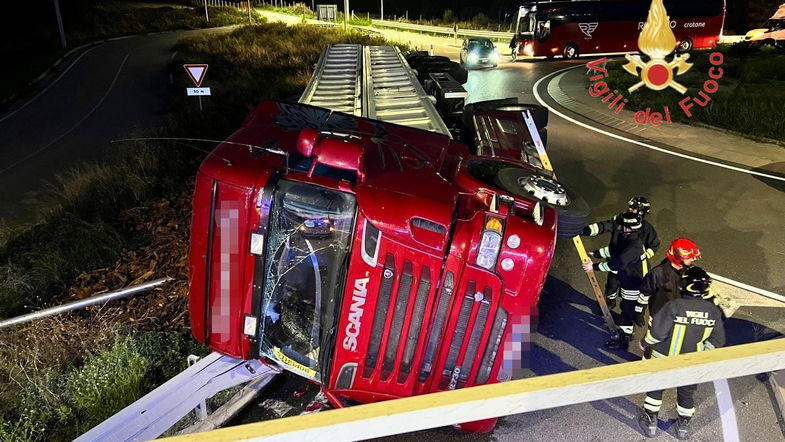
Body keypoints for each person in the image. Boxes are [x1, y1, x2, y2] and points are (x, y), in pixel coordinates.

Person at [638, 266, 725, 439]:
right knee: (686, 393)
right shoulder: (713, 312)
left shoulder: (673, 306)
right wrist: (701, 354)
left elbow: (656, 333)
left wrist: (643, 343)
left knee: (655, 388)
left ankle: (650, 421)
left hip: (662, 360)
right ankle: (683, 426)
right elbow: (717, 341)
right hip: (691, 364)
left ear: (684, 285)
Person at [581, 196, 660, 309]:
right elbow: (604, 226)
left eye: (633, 208)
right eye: (630, 207)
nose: (630, 210)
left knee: (631, 293)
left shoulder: (647, 229)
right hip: (617, 263)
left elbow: (654, 245)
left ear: (642, 212)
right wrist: (584, 230)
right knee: (611, 285)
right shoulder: (620, 219)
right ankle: (610, 301)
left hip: (631, 269)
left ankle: (635, 313)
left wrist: (641, 257)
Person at [582, 211, 646, 349]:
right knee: (625, 306)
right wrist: (596, 254)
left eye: (621, 226)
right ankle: (624, 326)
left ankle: (624, 338)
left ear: (628, 228)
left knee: (627, 310)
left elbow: (616, 263)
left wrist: (593, 267)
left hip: (633, 282)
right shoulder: (627, 238)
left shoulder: (635, 245)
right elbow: (614, 251)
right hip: (627, 278)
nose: (618, 227)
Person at [635, 238, 702, 327]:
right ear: (678, 258)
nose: (692, 260)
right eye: (689, 258)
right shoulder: (657, 274)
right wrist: (639, 312)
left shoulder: (690, 272)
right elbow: (644, 294)